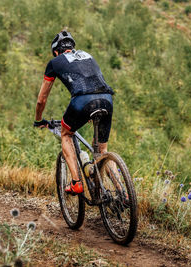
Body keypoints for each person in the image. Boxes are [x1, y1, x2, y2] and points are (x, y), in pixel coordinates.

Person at [34, 31, 114, 195]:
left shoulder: (55, 62)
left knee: (66, 134)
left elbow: (41, 99)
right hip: (106, 98)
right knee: (102, 151)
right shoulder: (87, 55)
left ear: (56, 52)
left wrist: (39, 120)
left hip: (82, 101)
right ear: (72, 47)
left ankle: (76, 182)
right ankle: (124, 193)